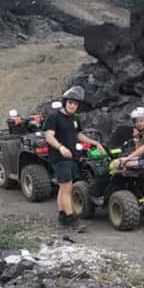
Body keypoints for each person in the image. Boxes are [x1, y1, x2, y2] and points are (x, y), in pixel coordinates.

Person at [44, 86, 104, 226]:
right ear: (65, 102)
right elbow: (49, 136)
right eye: (70, 102)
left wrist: (95, 143)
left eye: (75, 104)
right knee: (67, 189)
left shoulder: (74, 118)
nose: (72, 106)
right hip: (59, 158)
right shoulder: (54, 118)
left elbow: (78, 135)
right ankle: (71, 219)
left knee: (63, 188)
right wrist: (61, 147)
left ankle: (62, 216)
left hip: (72, 157)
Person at [109, 107, 144, 172]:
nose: (138, 123)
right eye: (136, 121)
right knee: (119, 162)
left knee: (116, 164)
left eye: (141, 121)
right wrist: (138, 140)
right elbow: (140, 153)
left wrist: (128, 158)